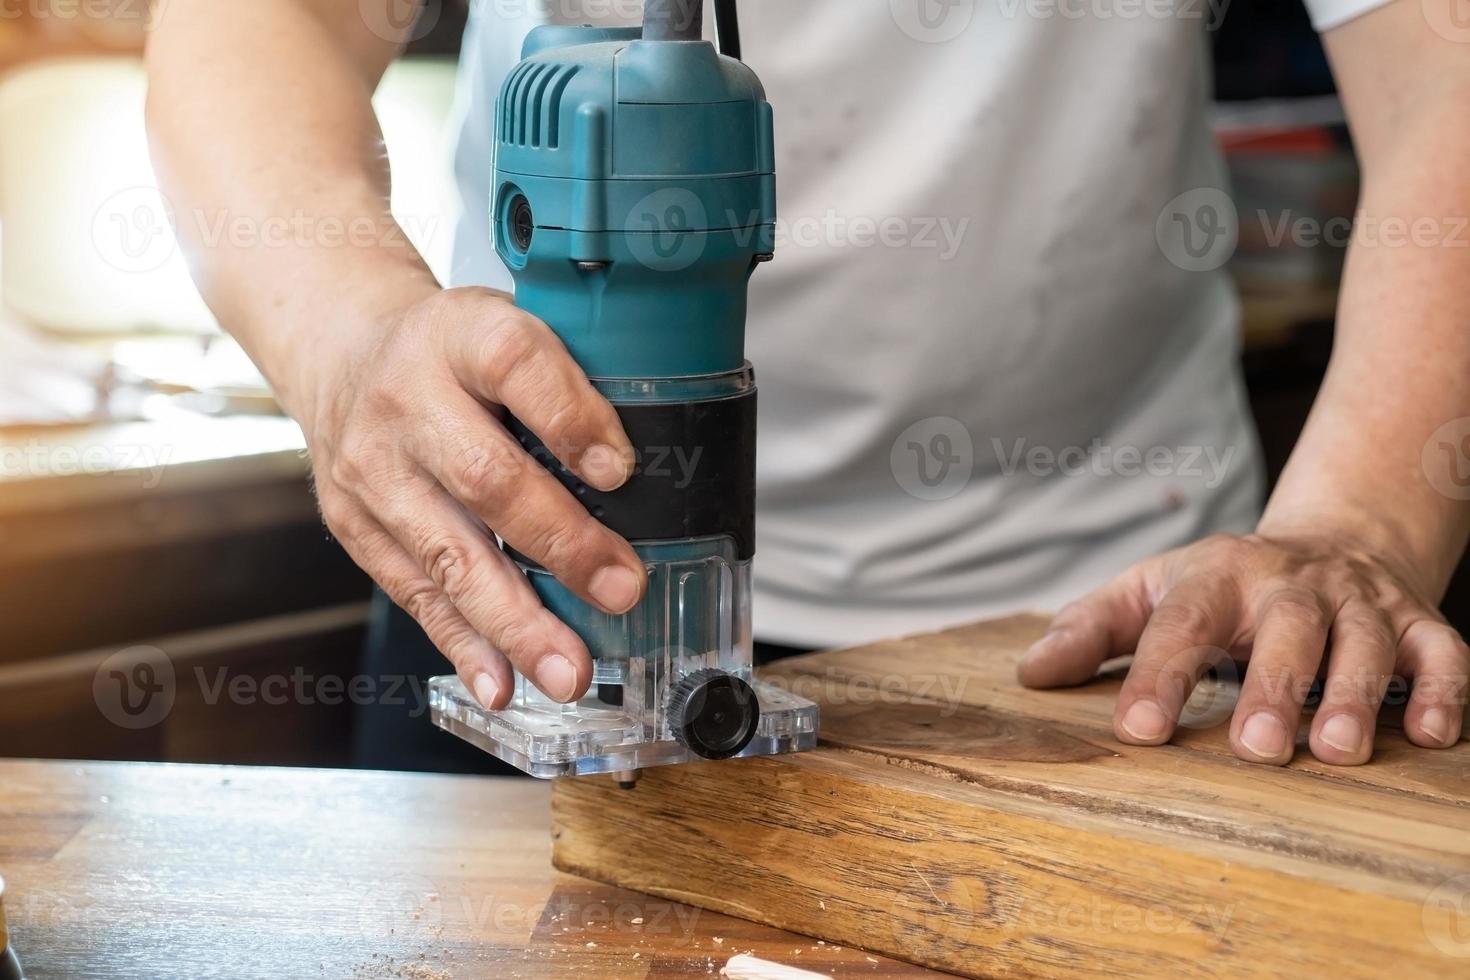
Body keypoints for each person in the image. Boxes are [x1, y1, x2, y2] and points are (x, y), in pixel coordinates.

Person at [145, 0, 1470, 772]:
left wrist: (1353, 522)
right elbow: (258, 26)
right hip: (512, 603)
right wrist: (347, 332)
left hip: (1113, 633)